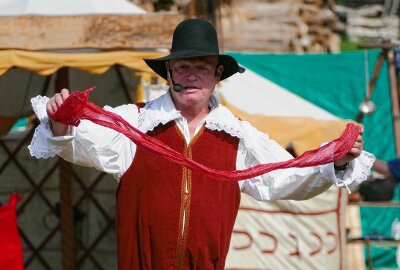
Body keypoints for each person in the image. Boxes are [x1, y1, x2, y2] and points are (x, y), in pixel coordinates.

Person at [29, 19, 374, 270]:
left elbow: (282, 178)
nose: (192, 75)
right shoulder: (135, 123)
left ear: (216, 75)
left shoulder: (237, 135)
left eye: (202, 67)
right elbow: (82, 144)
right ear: (170, 74)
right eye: (183, 67)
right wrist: (62, 119)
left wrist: (337, 161)